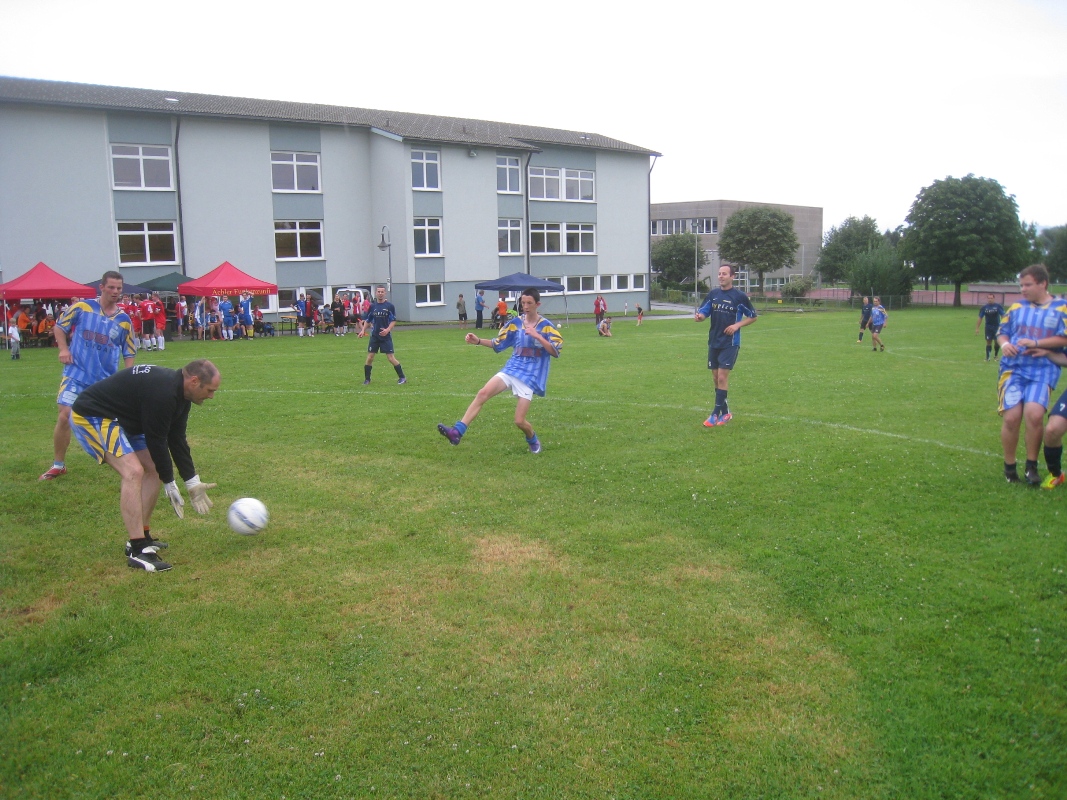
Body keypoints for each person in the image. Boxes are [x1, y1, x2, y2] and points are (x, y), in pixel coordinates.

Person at [70, 360, 220, 571]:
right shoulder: (164, 393)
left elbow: (176, 439)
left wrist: (192, 482)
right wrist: (170, 482)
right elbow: (157, 440)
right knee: (133, 471)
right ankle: (137, 549)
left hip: (125, 419)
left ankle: (143, 535)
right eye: (210, 390)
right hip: (93, 414)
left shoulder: (181, 396)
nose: (211, 396)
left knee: (153, 469)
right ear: (194, 381)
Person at [437, 287, 563, 453]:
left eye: (529, 303)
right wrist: (478, 341)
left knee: (519, 421)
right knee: (483, 393)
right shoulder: (515, 324)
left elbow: (555, 351)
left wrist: (538, 336)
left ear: (537, 304)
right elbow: (498, 343)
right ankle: (457, 432)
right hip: (512, 368)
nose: (525, 306)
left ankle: (532, 439)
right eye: (523, 303)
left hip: (530, 376)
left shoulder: (546, 327)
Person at [41, 271, 136, 481]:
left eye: (119, 288)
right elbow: (59, 327)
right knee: (65, 415)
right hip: (76, 374)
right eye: (111, 287)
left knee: (109, 422)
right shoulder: (82, 307)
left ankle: (124, 459)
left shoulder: (123, 320)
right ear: (101, 287)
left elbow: (129, 351)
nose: (115, 291)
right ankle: (58, 465)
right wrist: (63, 349)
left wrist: (128, 378)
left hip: (104, 382)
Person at [996, 264, 1067, 484]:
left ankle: (1031, 467)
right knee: (1011, 418)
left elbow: (1064, 338)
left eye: (1027, 285)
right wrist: (1005, 344)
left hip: (1043, 369)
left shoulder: (1062, 308)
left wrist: (1037, 343)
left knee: (1035, 415)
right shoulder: (1017, 307)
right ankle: (1009, 468)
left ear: (1042, 283)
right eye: (1021, 285)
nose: (1023, 289)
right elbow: (1002, 332)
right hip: (1013, 369)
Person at [695, 263, 758, 427]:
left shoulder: (739, 296)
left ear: (732, 276)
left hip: (730, 343)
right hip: (714, 341)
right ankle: (726, 412)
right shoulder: (713, 294)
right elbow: (704, 312)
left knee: (722, 377)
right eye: (719, 274)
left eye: (724, 274)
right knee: (716, 378)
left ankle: (715, 414)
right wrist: (700, 317)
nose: (721, 276)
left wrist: (737, 325)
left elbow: (753, 316)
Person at [359, 286, 407, 384]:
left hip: (385, 337)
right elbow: (368, 320)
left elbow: (393, 320)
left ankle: (402, 377)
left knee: (391, 358)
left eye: (382, 292)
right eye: (378, 292)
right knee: (370, 357)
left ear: (385, 293)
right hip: (375, 336)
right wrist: (363, 330)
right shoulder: (372, 306)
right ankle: (367, 379)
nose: (380, 293)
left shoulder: (389, 306)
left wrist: (387, 329)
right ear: (376, 293)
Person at [976, 293, 1006, 361]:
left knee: (996, 342)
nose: (990, 299)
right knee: (988, 342)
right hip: (988, 327)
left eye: (991, 298)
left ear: (994, 299)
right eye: (989, 298)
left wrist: (1003, 325)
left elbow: (1003, 316)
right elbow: (980, 317)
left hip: (997, 327)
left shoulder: (998, 306)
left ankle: (996, 355)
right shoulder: (984, 308)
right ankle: (988, 357)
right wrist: (977, 328)